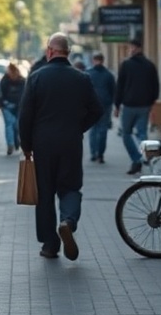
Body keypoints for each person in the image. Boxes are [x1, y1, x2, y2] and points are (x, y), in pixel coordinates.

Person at [19, 33, 103, 261]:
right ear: (67, 52)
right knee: (71, 187)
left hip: (42, 144)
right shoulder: (81, 78)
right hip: (70, 143)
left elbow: (25, 116)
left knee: (44, 193)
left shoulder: (36, 78)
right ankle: (68, 221)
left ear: (49, 51)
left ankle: (50, 245)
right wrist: (79, 128)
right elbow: (97, 110)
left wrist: (26, 145)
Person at [115, 35, 160, 175]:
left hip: (129, 105)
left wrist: (117, 105)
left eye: (132, 47)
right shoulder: (150, 65)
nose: (130, 49)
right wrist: (152, 101)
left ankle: (136, 159)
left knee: (126, 133)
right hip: (144, 105)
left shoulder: (126, 65)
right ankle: (144, 155)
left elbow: (120, 86)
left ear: (138, 48)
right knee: (141, 133)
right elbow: (156, 85)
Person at [85, 52, 116, 164]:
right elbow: (113, 91)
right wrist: (114, 105)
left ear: (93, 60)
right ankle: (100, 154)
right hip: (105, 105)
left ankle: (93, 153)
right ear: (103, 60)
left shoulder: (88, 74)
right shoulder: (108, 75)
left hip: (91, 105)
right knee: (103, 130)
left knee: (93, 130)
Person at [0, 62, 26, 155]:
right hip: (19, 105)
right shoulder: (22, 80)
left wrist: (1, 103)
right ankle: (16, 142)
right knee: (16, 126)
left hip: (7, 105)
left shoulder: (4, 80)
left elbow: (0, 93)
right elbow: (25, 94)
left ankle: (11, 144)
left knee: (9, 125)